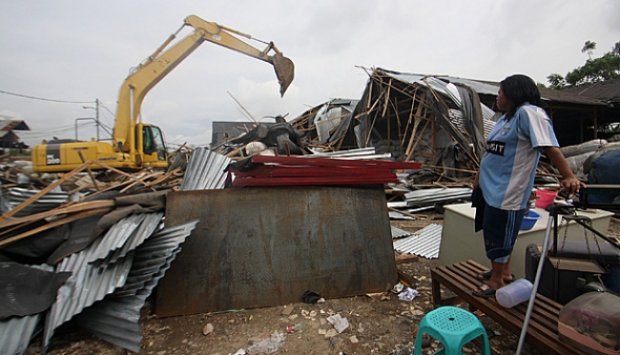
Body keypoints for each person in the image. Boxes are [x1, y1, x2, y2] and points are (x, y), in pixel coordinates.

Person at [471, 74, 584, 296]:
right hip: (489, 188)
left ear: (514, 94)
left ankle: (496, 282)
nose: (498, 97)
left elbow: (550, 147)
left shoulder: (529, 113)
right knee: (496, 232)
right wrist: (478, 178)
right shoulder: (504, 119)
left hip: (508, 190)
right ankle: (503, 272)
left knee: (500, 234)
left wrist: (568, 176)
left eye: (501, 93)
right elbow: (490, 153)